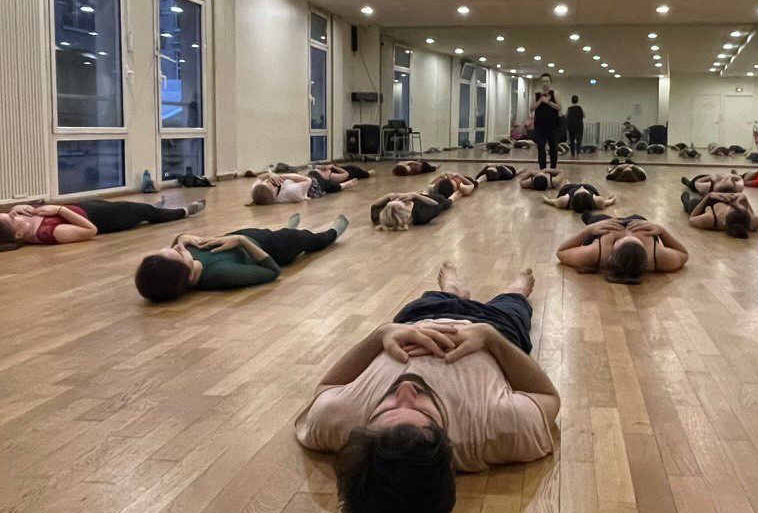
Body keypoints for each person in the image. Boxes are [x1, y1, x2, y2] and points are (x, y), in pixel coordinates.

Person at [293, 263, 559, 513]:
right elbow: (546, 396)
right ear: (449, 452)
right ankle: (515, 289)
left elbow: (325, 389)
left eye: (387, 405)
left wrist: (381, 334)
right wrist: (489, 338)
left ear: (362, 429)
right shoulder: (495, 429)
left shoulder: (339, 420)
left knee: (436, 297)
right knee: (514, 301)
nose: (406, 390)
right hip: (496, 329)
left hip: (413, 322)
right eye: (422, 409)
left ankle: (453, 291)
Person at [134, 214, 348, 302]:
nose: (180, 248)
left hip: (246, 235)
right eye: (177, 252)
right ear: (186, 274)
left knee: (278, 231)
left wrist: (181, 237)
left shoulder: (184, 263)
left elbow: (178, 249)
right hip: (272, 248)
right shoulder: (220, 275)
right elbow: (273, 272)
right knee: (308, 240)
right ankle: (335, 230)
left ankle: (287, 229)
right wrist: (241, 241)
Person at [0, 198, 204, 251]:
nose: (13, 215)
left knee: (135, 207)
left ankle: (154, 207)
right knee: (145, 212)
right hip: (103, 218)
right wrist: (60, 210)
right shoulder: (50, 233)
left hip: (86, 207)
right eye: (10, 218)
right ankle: (183, 212)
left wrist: (17, 207)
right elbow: (90, 230)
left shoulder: (19, 222)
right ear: (17, 235)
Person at [556, 214, 688, 284]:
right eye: (636, 241)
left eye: (625, 240)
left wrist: (590, 229)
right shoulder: (656, 256)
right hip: (638, 221)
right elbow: (683, 254)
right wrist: (662, 232)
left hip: (605, 228)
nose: (629, 234)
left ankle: (588, 216)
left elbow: (561, 252)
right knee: (638, 216)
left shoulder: (598, 252)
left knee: (593, 218)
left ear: (611, 253)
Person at [682, 191, 758, 238]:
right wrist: (744, 199)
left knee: (692, 203)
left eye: (731, 208)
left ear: (724, 221)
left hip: (706, 206)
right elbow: (749, 213)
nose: (730, 206)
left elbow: (691, 219)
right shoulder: (755, 222)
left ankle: (685, 198)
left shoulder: (709, 219)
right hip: (717, 202)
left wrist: (708, 196)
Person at [371, 192, 452, 231]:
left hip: (417, 201)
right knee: (443, 200)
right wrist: (415, 195)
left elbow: (375, 205)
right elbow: (436, 205)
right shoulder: (420, 216)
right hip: (422, 205)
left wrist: (393, 196)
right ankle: (455, 195)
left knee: (440, 197)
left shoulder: (382, 216)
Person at [530, 73, 562, 170]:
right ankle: (542, 169)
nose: (545, 83)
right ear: (541, 82)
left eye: (547, 81)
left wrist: (549, 102)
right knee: (541, 148)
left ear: (550, 82)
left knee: (553, 149)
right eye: (543, 81)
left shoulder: (555, 93)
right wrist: (540, 100)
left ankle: (553, 169)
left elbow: (559, 108)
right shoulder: (536, 95)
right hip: (539, 126)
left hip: (553, 126)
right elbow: (531, 108)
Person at [543, 182, 616, 213]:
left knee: (568, 185)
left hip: (571, 189)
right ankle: (578, 182)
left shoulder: (563, 201)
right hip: (587, 188)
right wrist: (612, 199)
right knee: (571, 184)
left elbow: (551, 201)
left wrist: (545, 199)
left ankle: (571, 183)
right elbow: (609, 201)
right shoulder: (599, 201)